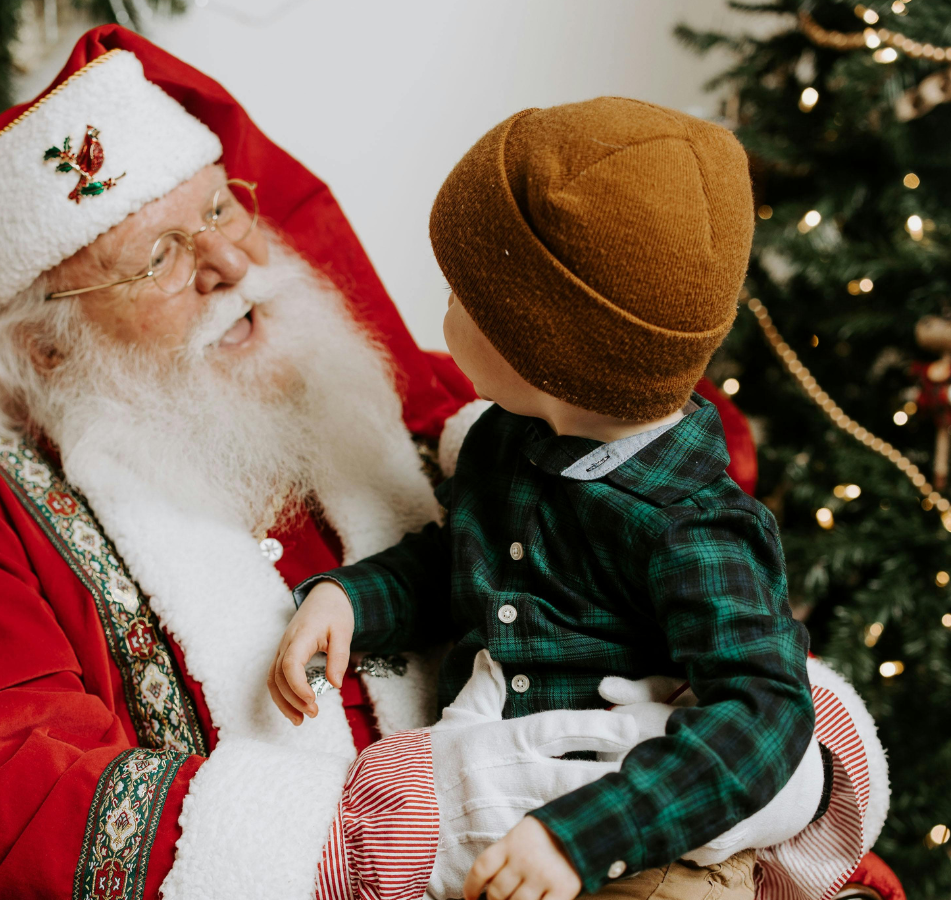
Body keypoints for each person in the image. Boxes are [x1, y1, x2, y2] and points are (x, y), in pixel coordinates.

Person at [0, 28, 883, 900]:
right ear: (46, 346)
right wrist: (379, 833)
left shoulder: (415, 396)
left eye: (219, 208)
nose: (232, 264)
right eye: (157, 256)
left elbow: (668, 582)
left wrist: (715, 753)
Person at [270, 101, 885, 900]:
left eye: (465, 298)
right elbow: (457, 562)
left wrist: (582, 837)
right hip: (499, 818)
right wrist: (350, 600)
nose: (442, 310)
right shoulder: (505, 440)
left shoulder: (695, 526)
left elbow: (763, 724)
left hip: (653, 846)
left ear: (545, 350)